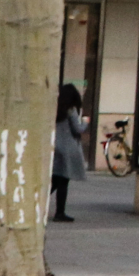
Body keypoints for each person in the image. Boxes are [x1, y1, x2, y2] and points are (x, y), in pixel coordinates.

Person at [51, 82, 88, 222]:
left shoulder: (56, 109)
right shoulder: (70, 110)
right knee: (63, 181)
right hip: (68, 148)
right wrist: (85, 122)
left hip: (56, 147)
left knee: (55, 179)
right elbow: (78, 130)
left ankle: (38, 204)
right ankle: (60, 212)